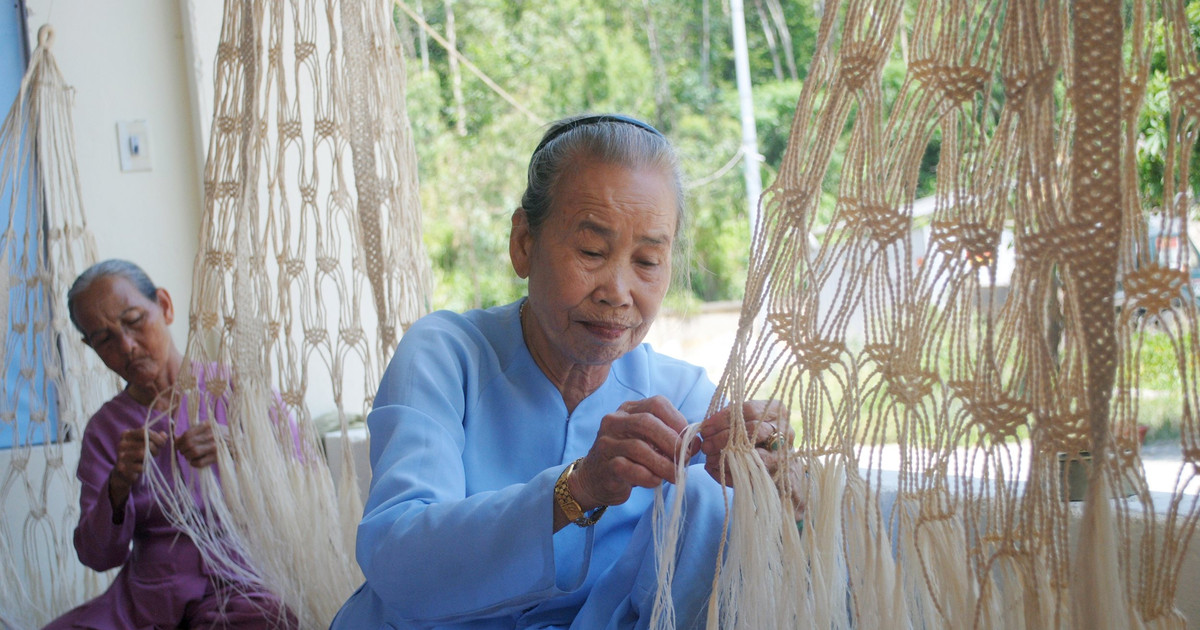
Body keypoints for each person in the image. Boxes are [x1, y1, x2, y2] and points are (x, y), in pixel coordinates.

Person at [331, 114, 799, 629]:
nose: (618, 291)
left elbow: (757, 540)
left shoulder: (680, 394)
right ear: (524, 243)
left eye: (646, 261)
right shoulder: (448, 355)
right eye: (592, 251)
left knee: (716, 495)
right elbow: (397, 564)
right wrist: (578, 488)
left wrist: (774, 477)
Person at [44, 260, 292, 629]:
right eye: (104, 339)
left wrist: (239, 449)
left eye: (134, 321)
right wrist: (117, 486)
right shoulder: (106, 430)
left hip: (248, 584)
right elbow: (98, 555)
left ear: (164, 305)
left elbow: (308, 494)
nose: (126, 346)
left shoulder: (242, 394)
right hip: (149, 599)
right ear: (90, 347)